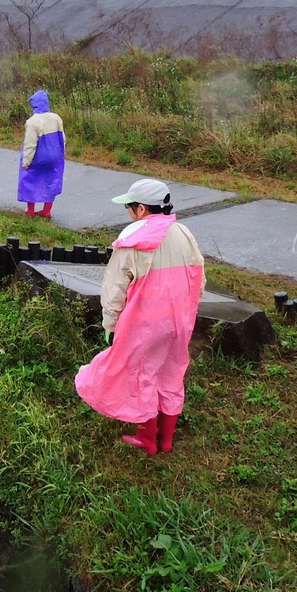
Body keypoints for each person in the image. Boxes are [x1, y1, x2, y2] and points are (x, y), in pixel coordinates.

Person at [75, 179, 204, 456]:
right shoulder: (184, 233)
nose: (129, 213)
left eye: (130, 208)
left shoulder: (133, 240)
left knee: (140, 375)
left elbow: (114, 289)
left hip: (144, 325)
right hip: (180, 322)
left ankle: (147, 439)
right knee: (171, 371)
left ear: (142, 208)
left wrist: (110, 323)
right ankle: (166, 440)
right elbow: (198, 278)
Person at [18, 89, 65, 220]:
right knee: (51, 180)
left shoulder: (32, 121)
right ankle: (47, 210)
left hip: (39, 157)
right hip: (54, 156)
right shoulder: (56, 118)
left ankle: (31, 210)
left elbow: (30, 144)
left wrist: (26, 162)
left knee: (30, 179)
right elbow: (62, 138)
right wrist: (60, 154)